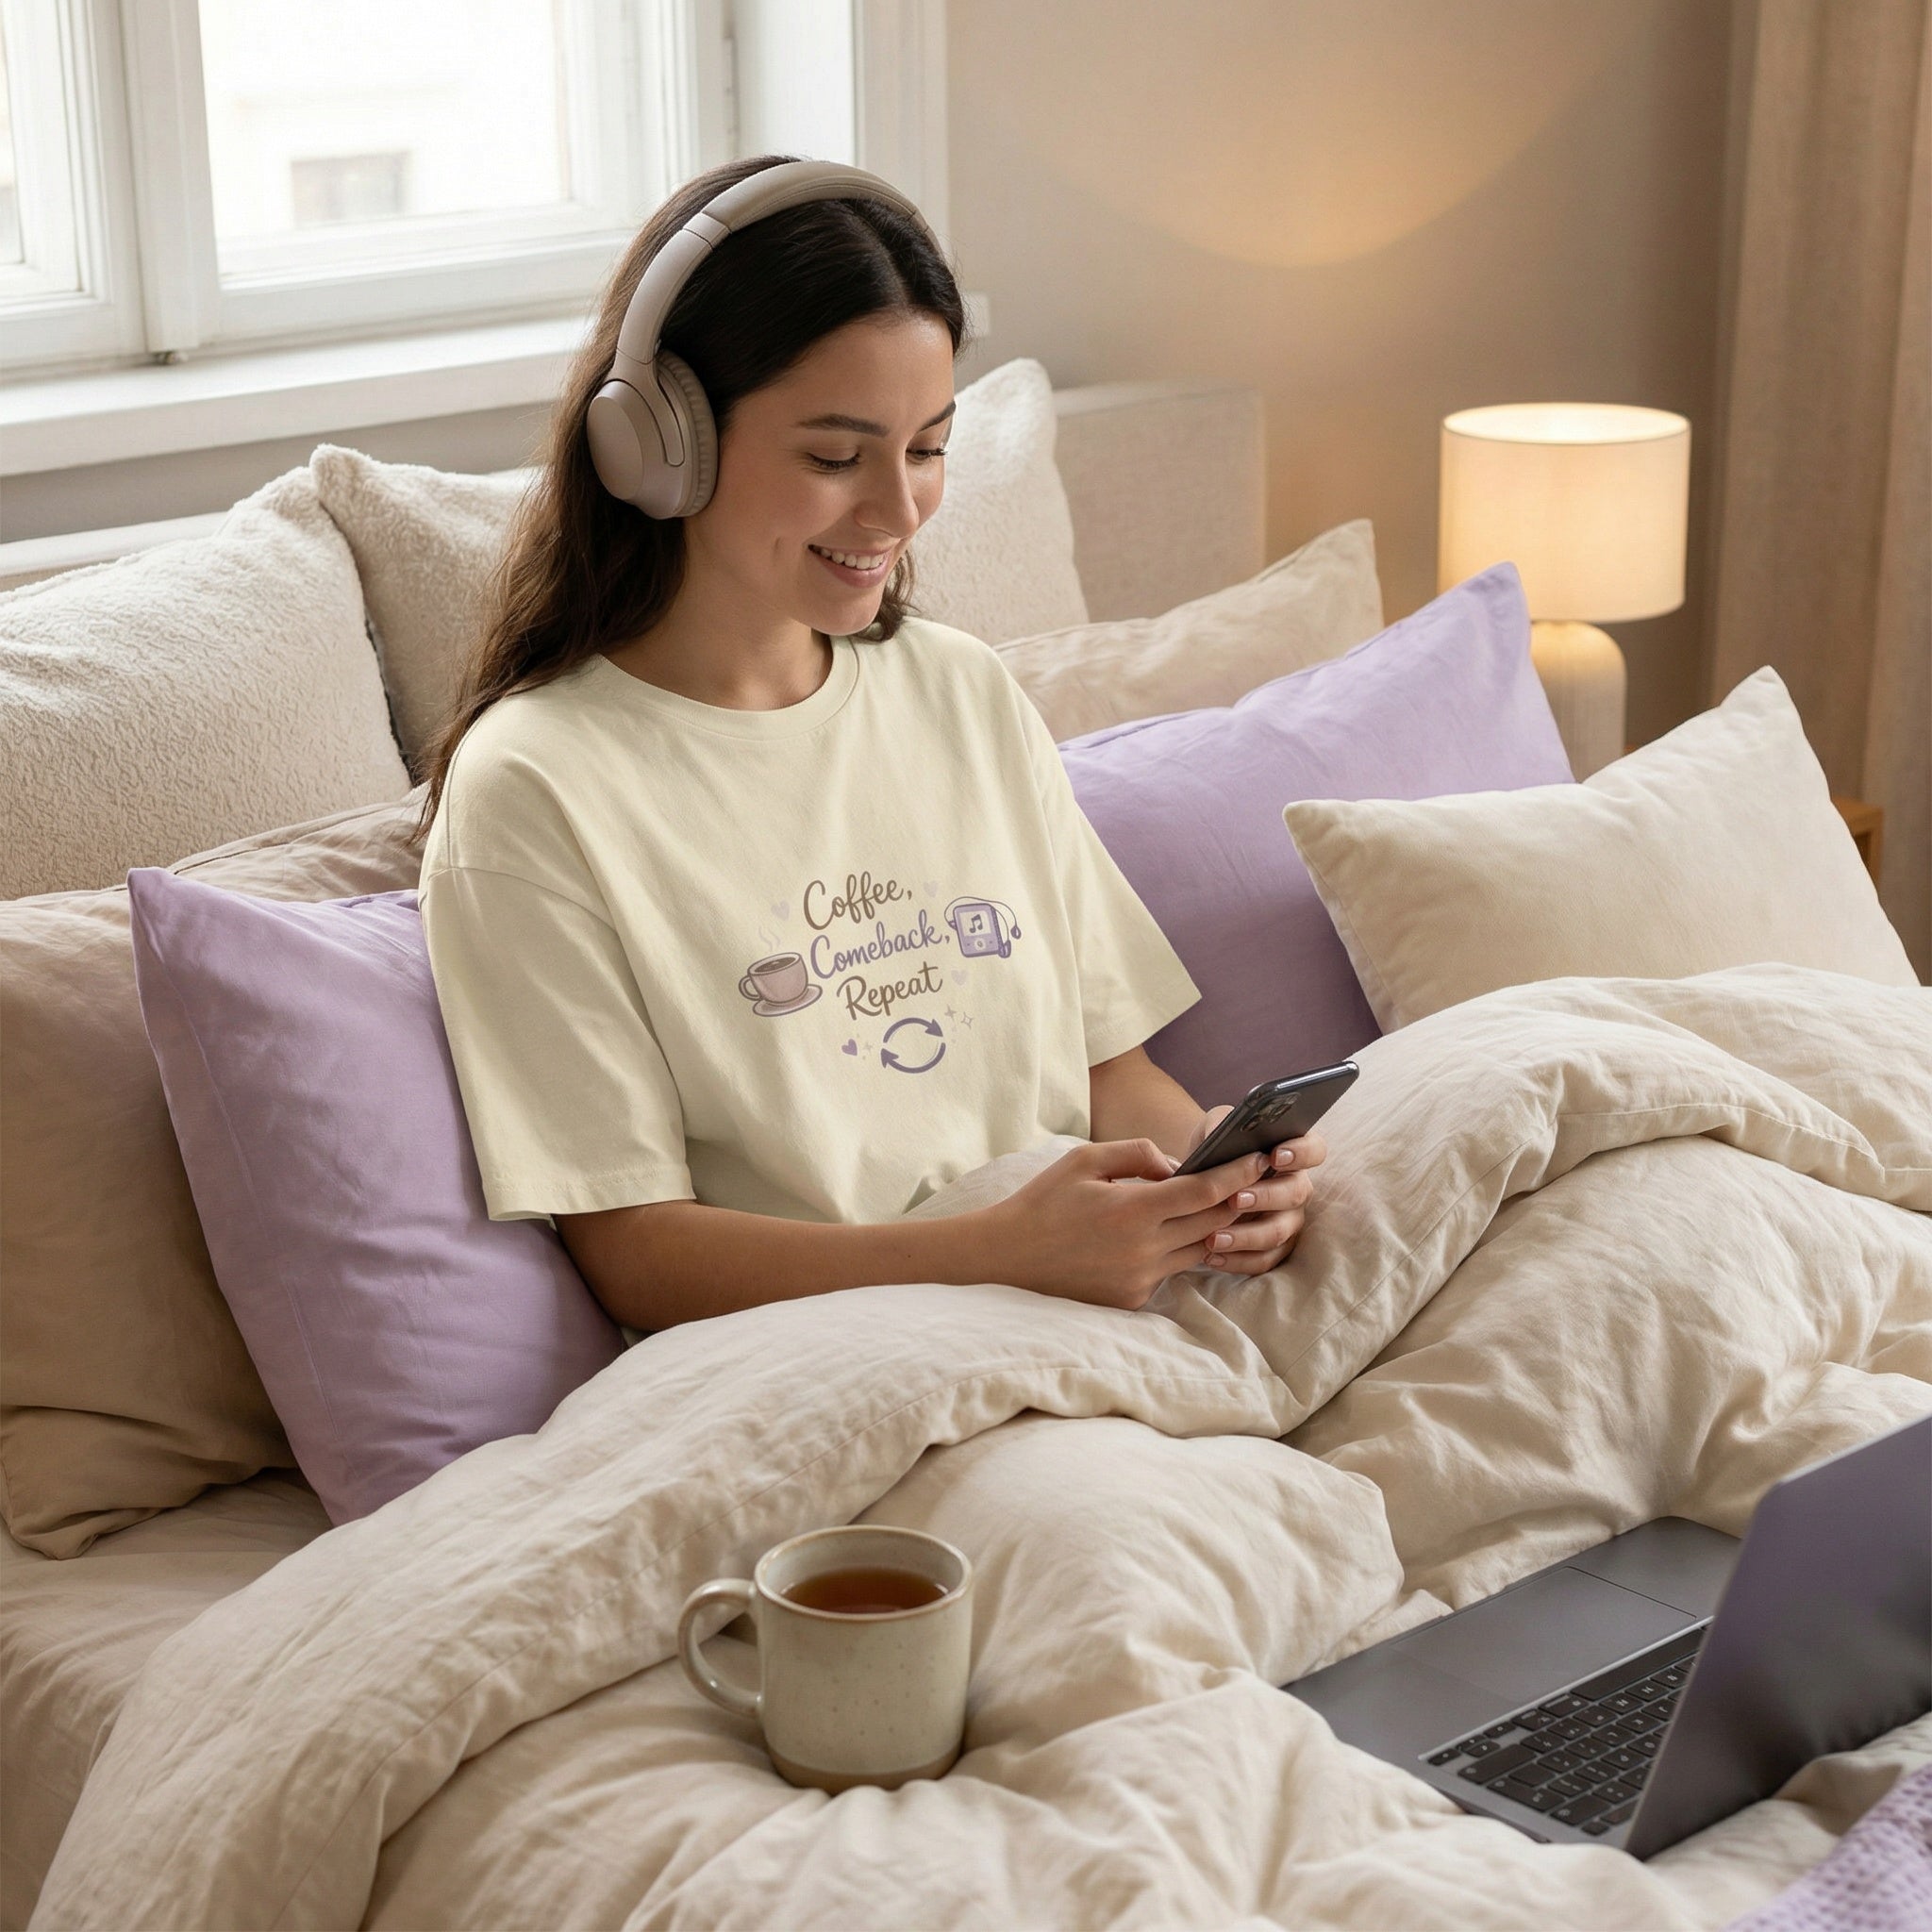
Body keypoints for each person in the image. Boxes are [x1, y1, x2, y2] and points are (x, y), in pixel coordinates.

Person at [413, 154, 1325, 1335]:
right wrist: (993, 1255)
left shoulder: (959, 690)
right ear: (660, 443)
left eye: (928, 447)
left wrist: (1216, 1174)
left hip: (1087, 1307)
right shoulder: (537, 784)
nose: (896, 512)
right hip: (841, 1350)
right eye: (835, 457)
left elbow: (1110, 1076)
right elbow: (634, 1251)